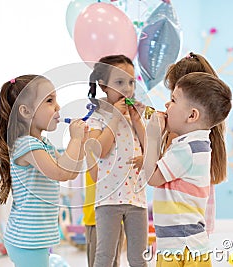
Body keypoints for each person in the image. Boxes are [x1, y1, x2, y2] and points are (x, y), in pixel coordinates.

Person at [0, 75, 88, 267]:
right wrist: (75, 140)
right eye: (49, 101)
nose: (58, 107)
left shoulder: (43, 144)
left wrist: (81, 143)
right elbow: (60, 172)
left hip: (36, 237)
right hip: (27, 238)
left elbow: (70, 173)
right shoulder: (26, 145)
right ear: (26, 111)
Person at [144, 72, 232, 266]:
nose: (167, 105)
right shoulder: (196, 144)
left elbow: (152, 177)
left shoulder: (186, 148)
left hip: (180, 246)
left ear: (192, 115)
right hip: (188, 244)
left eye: (173, 100)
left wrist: (152, 137)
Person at [86, 55, 148, 267]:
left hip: (136, 198)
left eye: (131, 82)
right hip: (108, 199)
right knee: (105, 257)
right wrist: (115, 117)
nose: (128, 89)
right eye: (120, 82)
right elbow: (101, 150)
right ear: (103, 86)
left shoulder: (135, 116)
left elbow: (149, 149)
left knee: (139, 257)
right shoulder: (97, 116)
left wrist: (137, 120)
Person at [163, 52, 227, 234]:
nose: (169, 104)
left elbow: (158, 173)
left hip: (180, 221)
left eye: (174, 98)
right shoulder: (208, 131)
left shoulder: (181, 134)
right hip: (197, 214)